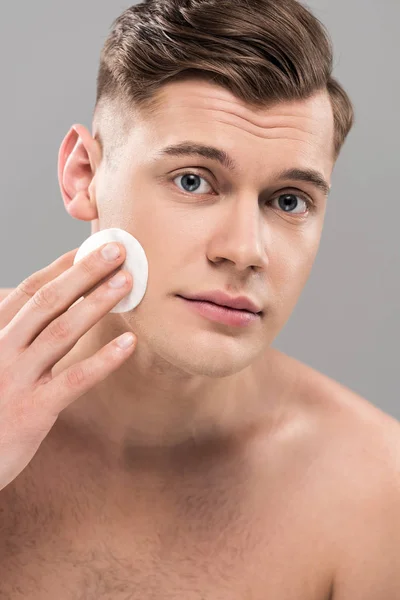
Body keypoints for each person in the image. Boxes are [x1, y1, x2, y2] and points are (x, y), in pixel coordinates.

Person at [0, 0, 399, 597]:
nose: (245, 251)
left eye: (288, 200)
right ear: (83, 174)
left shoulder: (375, 492)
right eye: (193, 180)